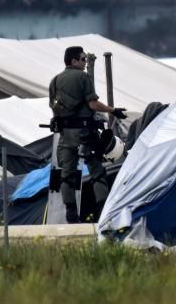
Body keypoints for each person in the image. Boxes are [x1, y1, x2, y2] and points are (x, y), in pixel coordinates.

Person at [48, 46, 126, 224]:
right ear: (74, 61)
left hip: (65, 136)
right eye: (82, 59)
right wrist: (113, 110)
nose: (84, 62)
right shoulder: (83, 77)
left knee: (67, 175)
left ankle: (71, 215)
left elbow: (55, 110)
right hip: (85, 135)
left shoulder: (54, 81)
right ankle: (102, 215)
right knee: (97, 172)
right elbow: (93, 104)